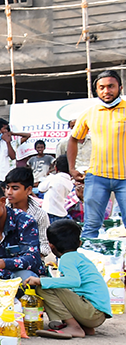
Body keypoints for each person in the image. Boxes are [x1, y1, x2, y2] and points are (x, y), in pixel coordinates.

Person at [26, 220, 111, 340]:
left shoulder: (67, 259)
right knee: (56, 286)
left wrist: (40, 281)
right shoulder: (79, 257)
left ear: (51, 246)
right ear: (79, 243)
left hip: (92, 313)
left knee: (43, 288)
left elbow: (74, 281)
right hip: (97, 315)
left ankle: (73, 326)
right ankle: (83, 327)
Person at [68, 70, 126, 239]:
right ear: (97, 90)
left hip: (124, 178)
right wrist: (72, 168)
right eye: (101, 87)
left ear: (120, 87)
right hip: (97, 177)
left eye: (111, 86)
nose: (106, 91)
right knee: (91, 226)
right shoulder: (89, 113)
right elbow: (73, 139)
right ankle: (90, 261)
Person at [4, 166, 51, 259]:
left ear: (29, 190)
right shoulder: (1, 210)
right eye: (7, 187)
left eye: (15, 188)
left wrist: (28, 257)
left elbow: (45, 245)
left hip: (30, 262)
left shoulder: (39, 214)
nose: (9, 192)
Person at [39, 155, 75, 223]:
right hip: (63, 214)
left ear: (55, 168)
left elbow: (41, 188)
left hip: (49, 213)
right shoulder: (70, 182)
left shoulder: (53, 178)